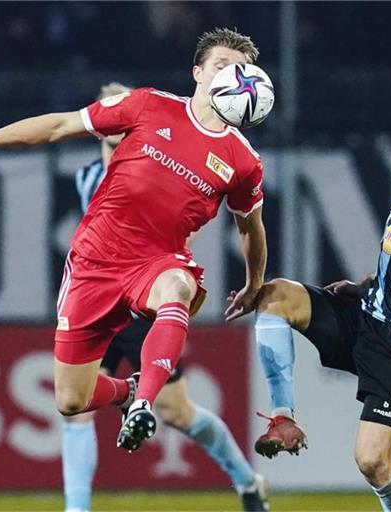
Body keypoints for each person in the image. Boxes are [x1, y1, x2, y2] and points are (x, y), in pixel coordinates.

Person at [0, 28, 268, 456]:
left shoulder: (243, 161)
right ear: (197, 72)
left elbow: (251, 228)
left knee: (178, 288)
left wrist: (254, 283)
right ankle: (128, 391)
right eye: (221, 65)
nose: (232, 75)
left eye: (241, 69)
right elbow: (61, 124)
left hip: (156, 261)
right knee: (70, 399)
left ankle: (145, 403)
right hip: (94, 259)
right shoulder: (149, 105)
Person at [239, 103, 391, 511]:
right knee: (275, 295)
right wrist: (364, 285)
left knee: (373, 461)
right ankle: (282, 416)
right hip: (366, 315)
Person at [61, 82, 269, 512]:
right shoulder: (88, 176)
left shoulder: (161, 159)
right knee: (73, 406)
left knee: (178, 412)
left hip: (144, 304)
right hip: (101, 295)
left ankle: (246, 481)